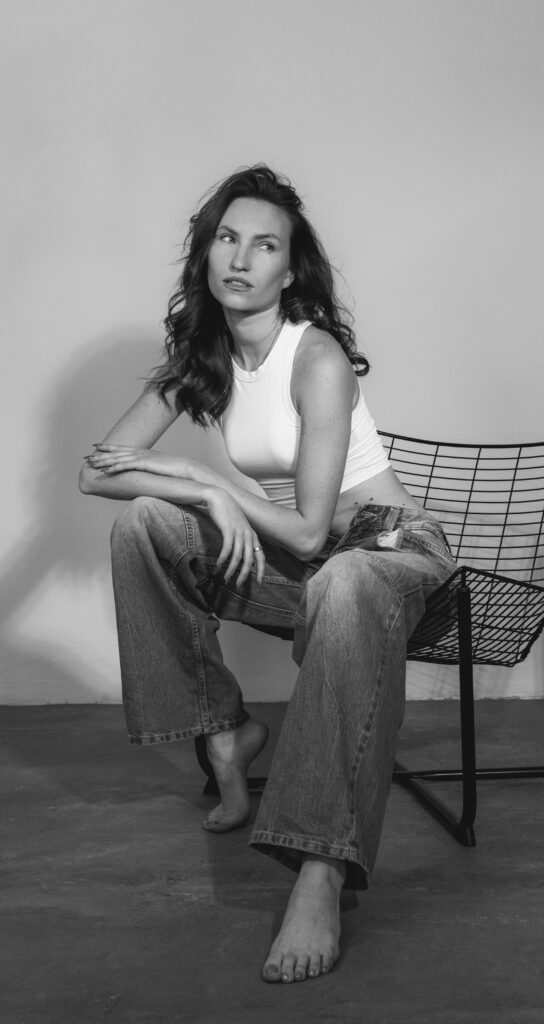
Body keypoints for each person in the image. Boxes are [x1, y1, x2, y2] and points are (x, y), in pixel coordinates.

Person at [79, 164, 454, 984]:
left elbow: (316, 528)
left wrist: (206, 481)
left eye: (265, 244)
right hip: (302, 564)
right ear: (206, 254)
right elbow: (98, 473)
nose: (241, 258)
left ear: (290, 269)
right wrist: (202, 497)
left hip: (388, 548)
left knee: (343, 583)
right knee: (145, 525)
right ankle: (224, 733)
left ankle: (320, 871)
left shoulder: (313, 356)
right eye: (227, 237)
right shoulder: (202, 358)